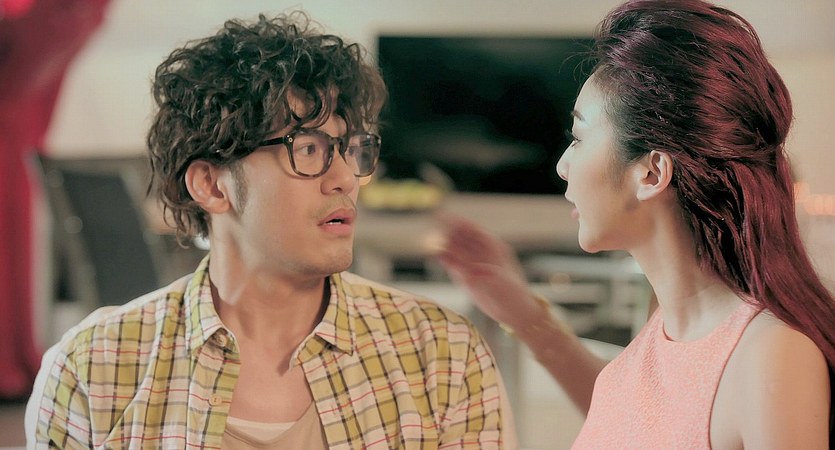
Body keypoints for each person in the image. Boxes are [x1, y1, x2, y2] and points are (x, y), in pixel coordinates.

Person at [26, 12, 516, 449]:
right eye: (309, 148)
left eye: (350, 149)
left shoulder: (441, 356)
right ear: (211, 185)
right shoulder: (93, 368)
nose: (346, 178)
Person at [438, 0, 834, 448]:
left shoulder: (770, 356)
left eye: (578, 138)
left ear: (651, 173)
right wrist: (526, 316)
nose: (563, 166)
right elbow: (645, 428)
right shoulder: (663, 329)